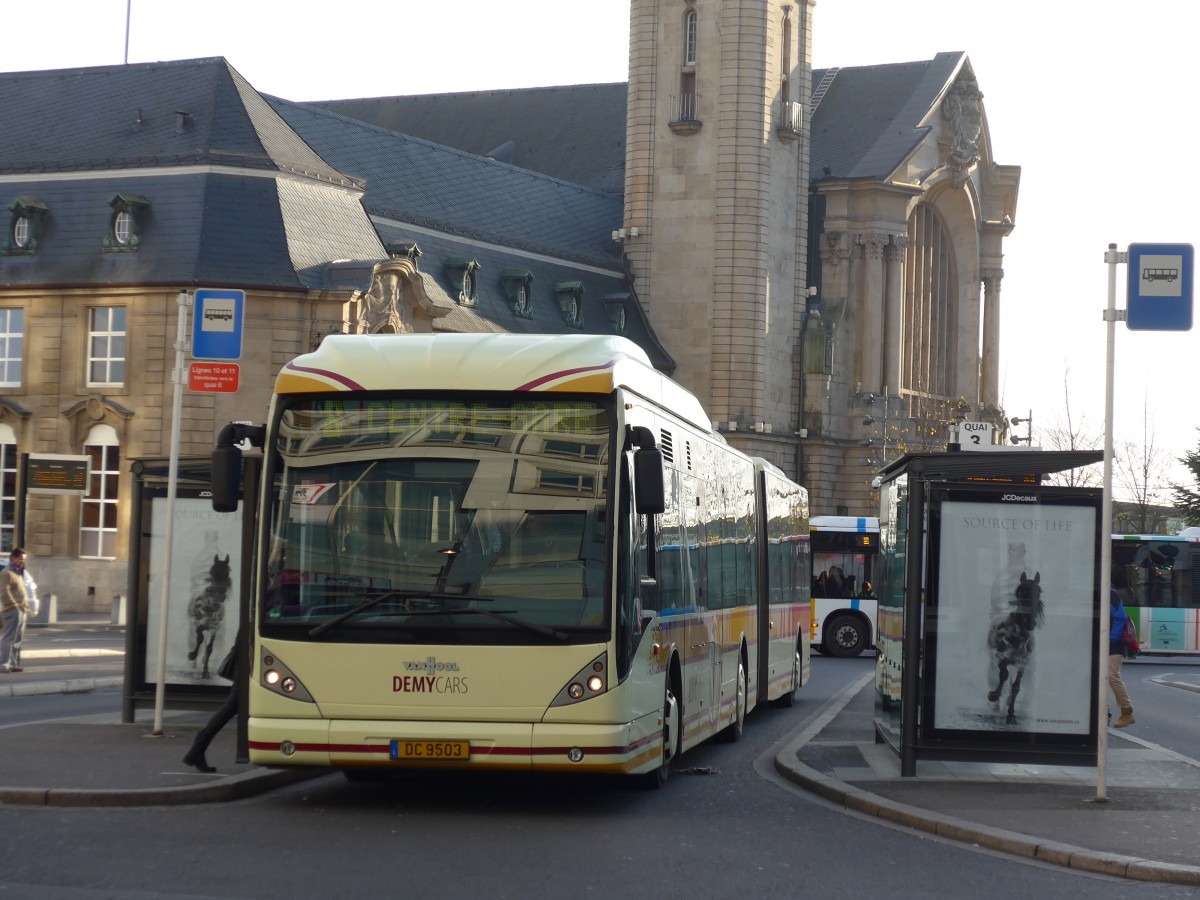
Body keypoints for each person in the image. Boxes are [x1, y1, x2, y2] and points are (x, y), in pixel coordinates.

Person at [183, 633, 240, 773]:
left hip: (246, 664)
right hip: (247, 666)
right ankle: (197, 748)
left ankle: (197, 749)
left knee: (231, 707)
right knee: (231, 706)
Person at [0, 547, 36, 673]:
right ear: (13, 558)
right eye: (21, 558)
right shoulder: (7, 573)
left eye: (24, 559)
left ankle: (13, 664)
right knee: (9, 638)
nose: (22, 561)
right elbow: (4, 592)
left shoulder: (18, 572)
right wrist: (14, 606)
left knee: (17, 639)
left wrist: (24, 608)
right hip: (12, 610)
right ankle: (4, 665)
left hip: (22, 609)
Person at [1108, 587, 1135, 728]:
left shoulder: (1109, 592)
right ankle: (1105, 714)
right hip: (1104, 645)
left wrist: (1111, 639)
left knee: (1112, 675)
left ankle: (1126, 711)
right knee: (1101, 679)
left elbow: (1120, 617)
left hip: (1114, 646)